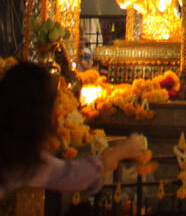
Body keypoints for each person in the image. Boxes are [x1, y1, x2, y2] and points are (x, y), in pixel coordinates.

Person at [0, 61, 147, 199]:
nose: (57, 116)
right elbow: (73, 175)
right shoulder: (27, 164)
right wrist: (120, 152)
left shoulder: (14, 154)